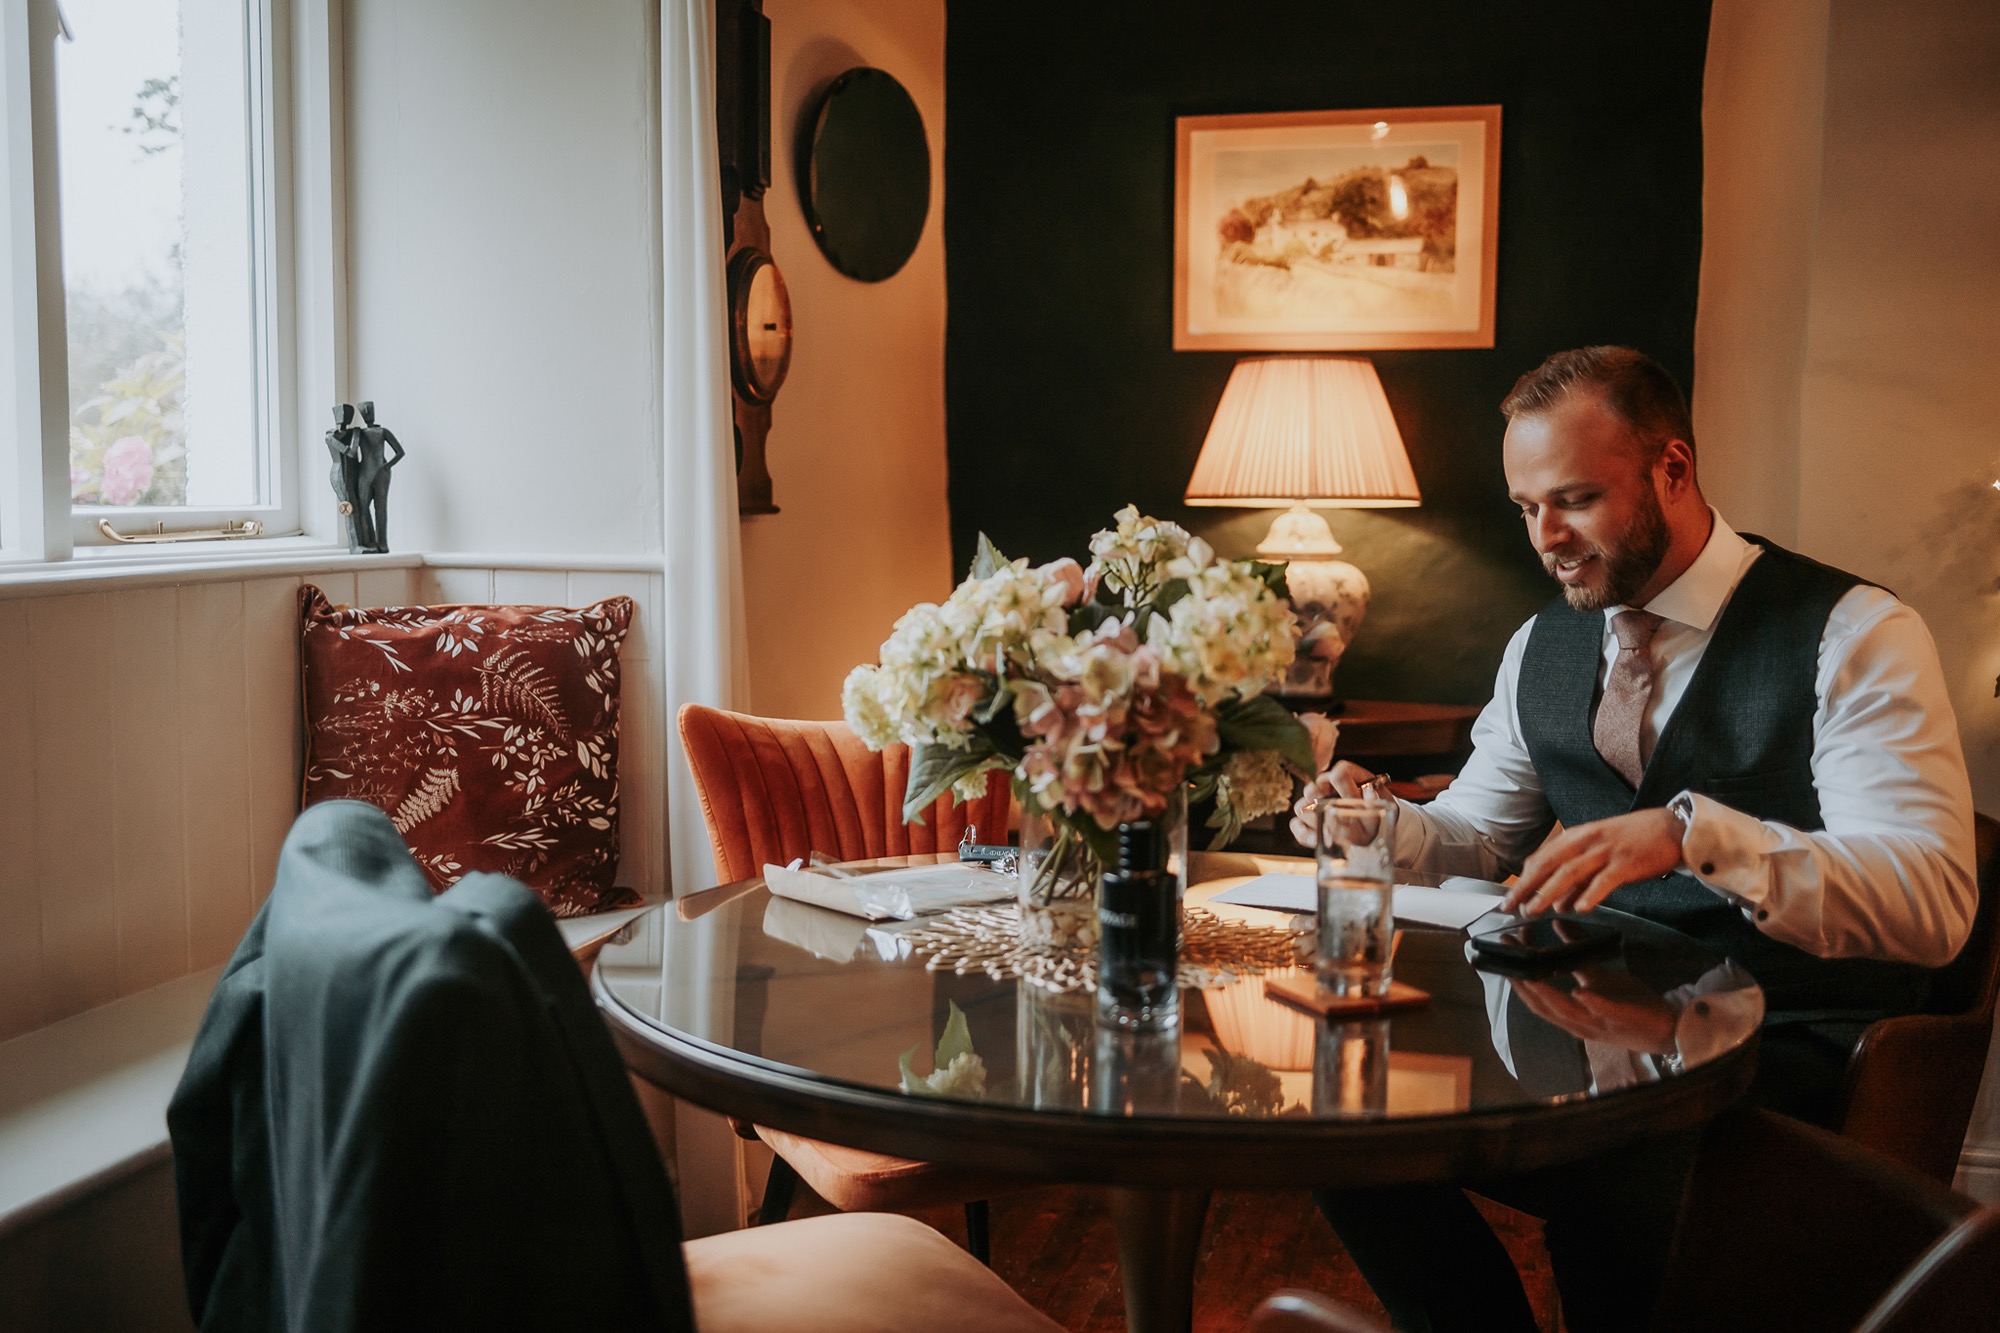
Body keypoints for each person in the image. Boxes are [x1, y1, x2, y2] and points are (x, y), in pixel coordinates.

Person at [1291, 346, 1977, 1333]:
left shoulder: (1851, 632)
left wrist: (1691, 834)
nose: (1545, 537)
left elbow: (1932, 902)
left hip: (1784, 1043)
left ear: (1671, 468)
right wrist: (1373, 822)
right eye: (1525, 506)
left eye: (1573, 498)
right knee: (1342, 1104)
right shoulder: (1543, 641)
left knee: (1617, 1161)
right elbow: (1475, 834)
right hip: (1592, 1024)